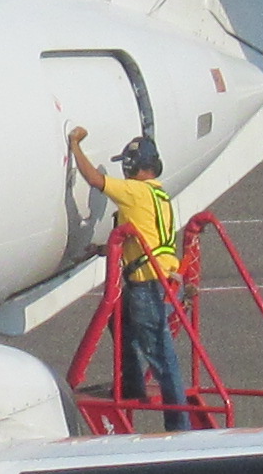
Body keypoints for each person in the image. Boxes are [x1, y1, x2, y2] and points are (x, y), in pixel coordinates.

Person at [67, 124, 191, 422]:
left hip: (148, 283)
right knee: (119, 319)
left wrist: (75, 146)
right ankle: (132, 381)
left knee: (160, 354)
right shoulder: (159, 195)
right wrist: (103, 249)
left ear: (132, 165)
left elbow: (95, 179)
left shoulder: (134, 191)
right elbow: (142, 236)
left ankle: (180, 423)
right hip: (163, 277)